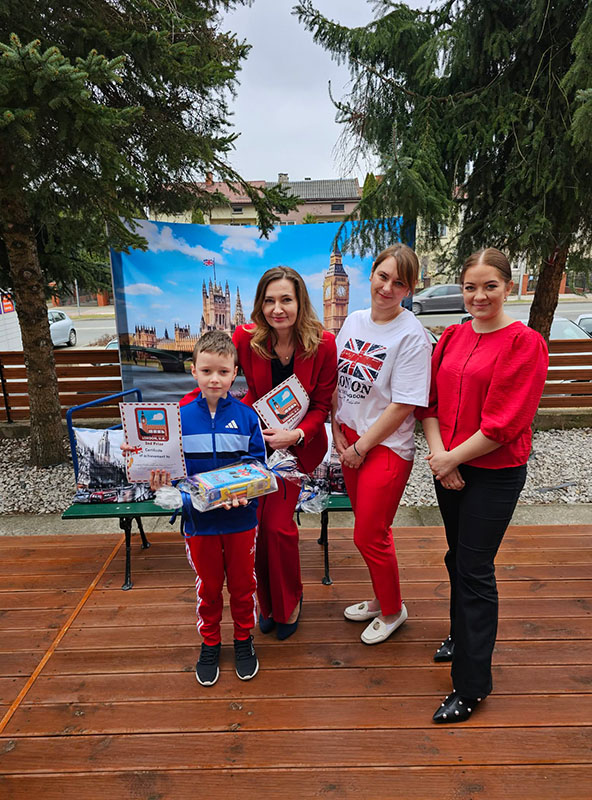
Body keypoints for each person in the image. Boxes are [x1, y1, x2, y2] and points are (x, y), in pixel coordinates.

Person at [418, 248, 548, 723]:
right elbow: (429, 403)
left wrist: (451, 458)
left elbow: (504, 423)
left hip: (493, 473)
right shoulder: (453, 336)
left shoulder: (524, 343)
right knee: (457, 557)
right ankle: (460, 636)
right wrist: (441, 460)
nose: (479, 296)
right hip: (448, 466)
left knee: (474, 568)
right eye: (470, 287)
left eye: (490, 286)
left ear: (507, 287)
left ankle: (472, 685)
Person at [133, 331, 266, 687]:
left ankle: (243, 639)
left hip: (240, 520)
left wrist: (246, 491)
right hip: (198, 523)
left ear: (234, 372)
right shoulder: (177, 418)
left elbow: (256, 466)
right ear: (193, 371)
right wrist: (158, 479)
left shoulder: (247, 417)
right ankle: (210, 642)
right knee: (208, 587)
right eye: (206, 371)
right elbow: (170, 471)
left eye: (223, 372)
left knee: (243, 586)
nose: (214, 379)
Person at [331, 244, 432, 645]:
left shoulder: (412, 335)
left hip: (385, 447)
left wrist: (360, 449)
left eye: (399, 283)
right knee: (369, 529)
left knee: (369, 534)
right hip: (350, 440)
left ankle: (392, 610)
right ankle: (380, 598)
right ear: (371, 274)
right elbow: (337, 378)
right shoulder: (354, 321)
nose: (387, 288)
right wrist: (336, 426)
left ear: (409, 289)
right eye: (383, 277)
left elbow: (403, 404)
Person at [233, 266, 338, 640]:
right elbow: (222, 380)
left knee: (277, 526)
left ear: (300, 302)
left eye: (286, 300)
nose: (278, 309)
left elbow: (321, 405)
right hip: (257, 445)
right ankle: (267, 603)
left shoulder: (323, 344)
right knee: (255, 526)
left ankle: (290, 600)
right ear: (260, 305)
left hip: (297, 448)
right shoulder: (246, 339)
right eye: (270, 301)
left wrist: (295, 434)